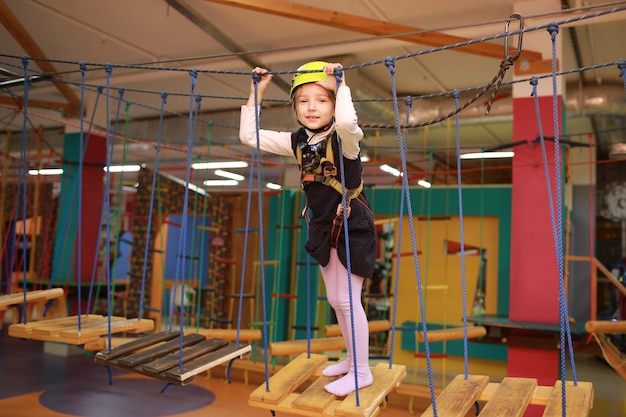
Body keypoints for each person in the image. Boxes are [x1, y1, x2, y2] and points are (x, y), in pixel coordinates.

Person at [239, 61, 377, 396]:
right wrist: (256, 93)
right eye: (303, 101)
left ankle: (362, 370)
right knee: (335, 299)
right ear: (295, 107)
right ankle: (351, 359)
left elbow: (346, 119)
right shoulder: (298, 141)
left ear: (333, 104)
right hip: (321, 225)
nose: (312, 107)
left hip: (350, 223)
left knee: (347, 300)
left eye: (321, 100)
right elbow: (249, 136)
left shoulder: (346, 138)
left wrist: (341, 85)